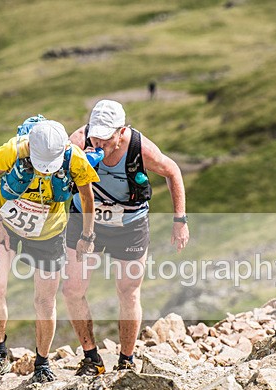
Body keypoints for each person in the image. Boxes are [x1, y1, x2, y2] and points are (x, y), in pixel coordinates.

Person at [65, 100, 189, 375]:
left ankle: (126, 360)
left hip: (130, 223)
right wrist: (75, 165)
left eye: (106, 138)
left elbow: (173, 171)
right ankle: (91, 358)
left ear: (121, 131)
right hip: (85, 220)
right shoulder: (78, 140)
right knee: (72, 290)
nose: (99, 143)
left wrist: (179, 220)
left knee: (128, 291)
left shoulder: (140, 148)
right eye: (95, 135)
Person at [0, 119, 98, 387]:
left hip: (49, 232)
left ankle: (42, 363)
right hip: (6, 225)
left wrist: (88, 235)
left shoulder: (74, 158)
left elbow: (87, 197)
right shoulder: (13, 150)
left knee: (45, 301)